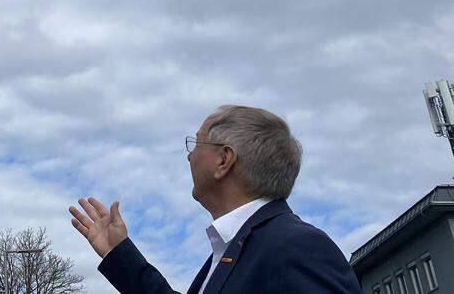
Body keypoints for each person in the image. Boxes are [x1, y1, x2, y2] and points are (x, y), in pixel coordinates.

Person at [68, 105, 360, 294]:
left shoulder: (297, 247)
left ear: (224, 160)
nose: (189, 154)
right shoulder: (236, 251)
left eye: (196, 142)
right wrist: (119, 254)